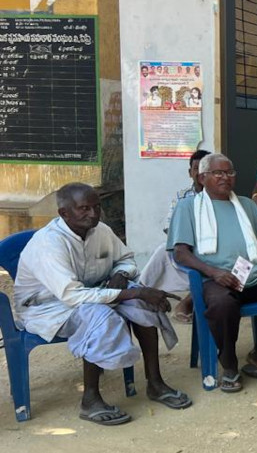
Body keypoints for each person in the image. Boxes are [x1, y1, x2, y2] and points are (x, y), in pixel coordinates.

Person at [15, 183, 189, 426]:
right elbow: (72, 296)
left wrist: (121, 274)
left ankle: (155, 383)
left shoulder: (101, 231)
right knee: (99, 314)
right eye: (84, 209)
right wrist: (133, 291)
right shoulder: (48, 244)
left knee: (141, 303)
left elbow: (126, 259)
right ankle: (90, 400)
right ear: (64, 213)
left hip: (94, 292)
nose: (93, 214)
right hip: (48, 308)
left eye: (97, 207)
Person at [169, 154, 257, 392]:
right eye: (218, 173)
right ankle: (229, 364)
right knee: (222, 305)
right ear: (202, 178)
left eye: (230, 172)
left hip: (253, 274)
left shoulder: (245, 204)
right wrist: (213, 272)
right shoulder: (188, 207)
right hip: (215, 279)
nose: (225, 177)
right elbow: (180, 253)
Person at [140, 149, 210, 323]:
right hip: (188, 247)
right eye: (196, 168)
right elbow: (170, 228)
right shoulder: (182, 197)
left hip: (212, 250)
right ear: (190, 172)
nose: (200, 173)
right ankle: (140, 291)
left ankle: (187, 302)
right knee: (162, 251)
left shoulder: (221, 197)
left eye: (205, 168)